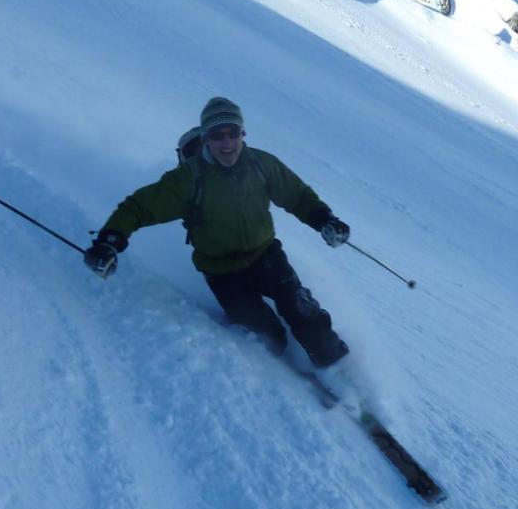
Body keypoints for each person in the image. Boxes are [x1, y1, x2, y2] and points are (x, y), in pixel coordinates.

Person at [84, 97, 352, 369]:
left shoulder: (261, 164)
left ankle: (339, 371)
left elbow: (298, 196)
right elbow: (138, 207)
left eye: (233, 133)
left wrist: (324, 220)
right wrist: (109, 242)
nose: (227, 143)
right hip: (223, 273)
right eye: (217, 135)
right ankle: (287, 368)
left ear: (242, 134)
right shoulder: (188, 180)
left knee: (302, 311)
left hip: (266, 257)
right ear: (206, 139)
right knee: (267, 337)